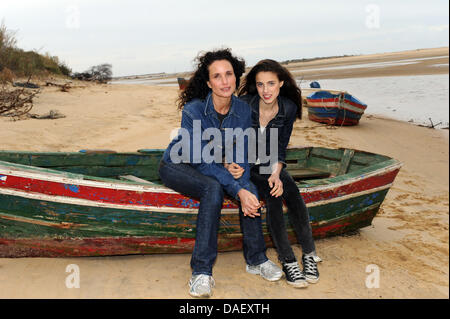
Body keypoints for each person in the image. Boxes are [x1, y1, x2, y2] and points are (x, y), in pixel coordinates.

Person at [158, 49, 282, 298]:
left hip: (215, 162)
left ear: (236, 77)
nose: (224, 81)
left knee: (250, 189)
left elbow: (243, 153)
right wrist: (237, 189)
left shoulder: (243, 110)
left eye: (229, 74)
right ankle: (201, 272)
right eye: (217, 76)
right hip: (179, 164)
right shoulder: (193, 111)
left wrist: (242, 183)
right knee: (213, 188)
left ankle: (256, 259)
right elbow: (201, 161)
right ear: (208, 82)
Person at [226, 59, 320, 288]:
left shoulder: (288, 108)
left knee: (290, 190)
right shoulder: (244, 105)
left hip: (270, 164)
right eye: (260, 85)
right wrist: (229, 163)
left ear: (281, 83)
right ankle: (288, 260)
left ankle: (309, 254)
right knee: (275, 196)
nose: (265, 90)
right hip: (246, 167)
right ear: (255, 87)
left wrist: (277, 173)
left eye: (270, 83)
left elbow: (281, 146)